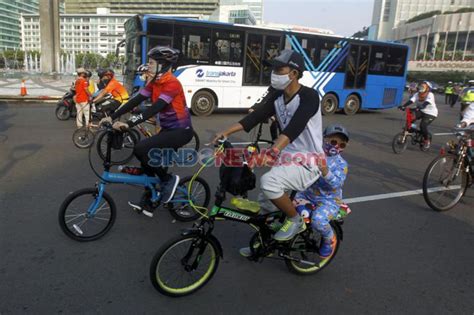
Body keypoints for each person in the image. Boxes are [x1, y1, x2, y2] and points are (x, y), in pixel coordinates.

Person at [213, 49, 323, 241]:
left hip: (308, 160)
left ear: (294, 73)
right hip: (287, 155)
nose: (274, 74)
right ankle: (265, 245)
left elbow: (296, 126)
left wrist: (272, 151)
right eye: (273, 69)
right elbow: (255, 117)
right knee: (266, 205)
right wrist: (226, 132)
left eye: (279, 69)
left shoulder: (310, 96)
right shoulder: (277, 97)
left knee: (269, 183)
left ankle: (295, 219)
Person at [100, 46, 193, 217]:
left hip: (181, 131)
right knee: (147, 160)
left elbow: (153, 109)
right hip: (167, 130)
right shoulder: (154, 83)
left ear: (163, 65)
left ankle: (168, 180)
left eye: (151, 63)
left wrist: (128, 123)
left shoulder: (172, 84)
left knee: (141, 149)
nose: (148, 65)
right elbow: (135, 101)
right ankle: (151, 200)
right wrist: (113, 116)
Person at [293, 125, 349, 258]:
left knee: (317, 221)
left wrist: (325, 171)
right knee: (287, 208)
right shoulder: (313, 153)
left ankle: (329, 239)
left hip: (329, 201)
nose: (336, 147)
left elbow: (337, 184)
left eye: (342, 145)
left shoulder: (342, 164)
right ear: (325, 139)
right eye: (333, 142)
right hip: (306, 194)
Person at [399, 81, 438, 149]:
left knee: (422, 125)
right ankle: (407, 133)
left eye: (423, 87)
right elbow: (411, 100)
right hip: (421, 110)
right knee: (410, 119)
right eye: (420, 86)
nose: (421, 87)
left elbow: (427, 102)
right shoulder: (417, 94)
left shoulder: (430, 94)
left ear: (427, 88)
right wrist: (403, 106)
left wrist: (423, 106)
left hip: (431, 113)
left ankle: (426, 140)